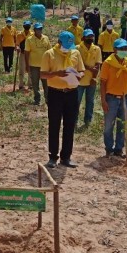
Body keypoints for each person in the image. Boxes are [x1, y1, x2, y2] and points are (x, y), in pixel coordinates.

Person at [40, 31, 85, 168]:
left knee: (70, 125)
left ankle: (66, 157)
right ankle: (53, 156)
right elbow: (43, 74)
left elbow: (81, 70)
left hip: (72, 92)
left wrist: (79, 76)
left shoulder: (76, 53)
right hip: (55, 93)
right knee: (54, 124)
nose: (67, 48)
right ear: (59, 42)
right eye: (65, 45)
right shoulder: (49, 54)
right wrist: (56, 74)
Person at [99, 38, 127, 158]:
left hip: (125, 99)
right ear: (115, 49)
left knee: (122, 125)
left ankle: (119, 149)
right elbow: (103, 83)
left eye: (125, 48)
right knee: (109, 125)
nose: (124, 51)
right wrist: (103, 100)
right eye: (121, 49)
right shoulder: (107, 64)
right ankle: (109, 149)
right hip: (111, 98)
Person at [77, 28, 102, 128]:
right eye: (88, 37)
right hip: (79, 80)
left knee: (90, 101)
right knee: (76, 101)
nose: (90, 38)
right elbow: (78, 63)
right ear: (83, 38)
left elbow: (98, 65)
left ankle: (88, 120)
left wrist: (94, 78)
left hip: (91, 80)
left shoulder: (97, 49)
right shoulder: (77, 48)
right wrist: (90, 68)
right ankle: (74, 120)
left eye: (92, 36)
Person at [25, 22, 51, 105]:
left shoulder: (46, 38)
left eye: (40, 29)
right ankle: (37, 99)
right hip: (34, 65)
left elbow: (50, 51)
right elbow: (26, 53)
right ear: (34, 30)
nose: (39, 30)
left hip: (45, 66)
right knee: (35, 83)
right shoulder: (29, 39)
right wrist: (27, 65)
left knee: (46, 83)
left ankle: (48, 99)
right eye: (37, 29)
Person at [15, 20, 31, 90]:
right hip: (22, 54)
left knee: (30, 69)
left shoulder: (32, 34)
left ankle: (30, 84)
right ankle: (21, 84)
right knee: (21, 69)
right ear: (23, 26)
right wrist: (17, 48)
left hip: (30, 55)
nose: (27, 27)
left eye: (28, 25)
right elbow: (17, 44)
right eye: (26, 25)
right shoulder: (19, 35)